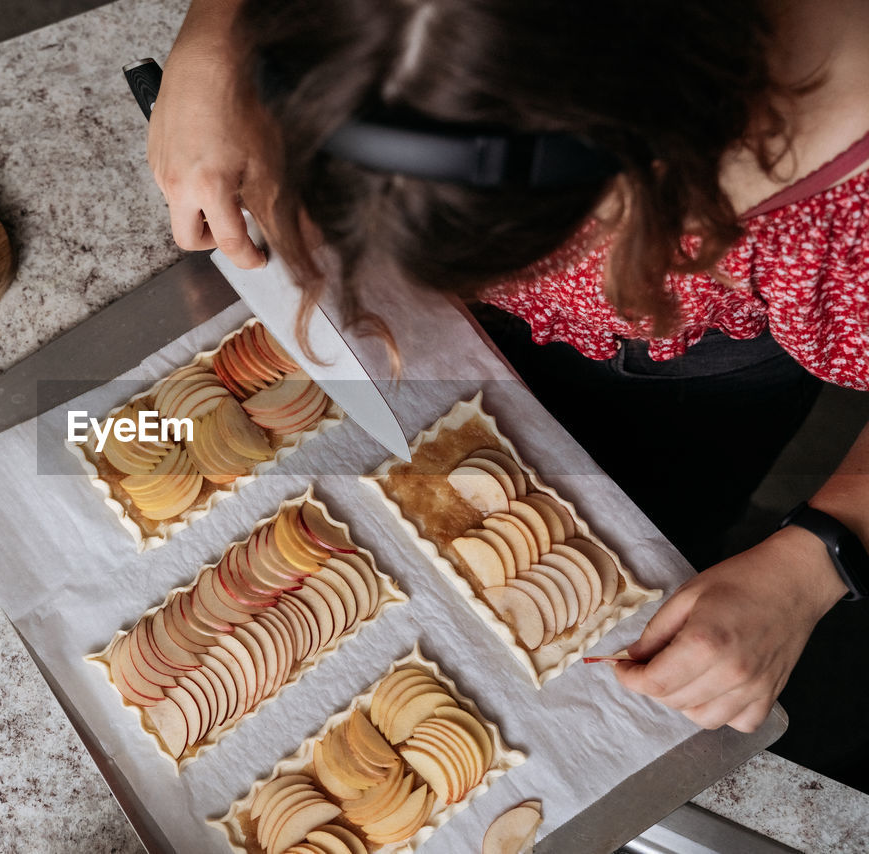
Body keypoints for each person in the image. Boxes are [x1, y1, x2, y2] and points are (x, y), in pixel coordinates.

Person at [144, 0, 869, 776]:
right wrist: (218, 42)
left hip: (692, 384)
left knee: (659, 526)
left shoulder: (838, 230)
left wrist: (812, 563)